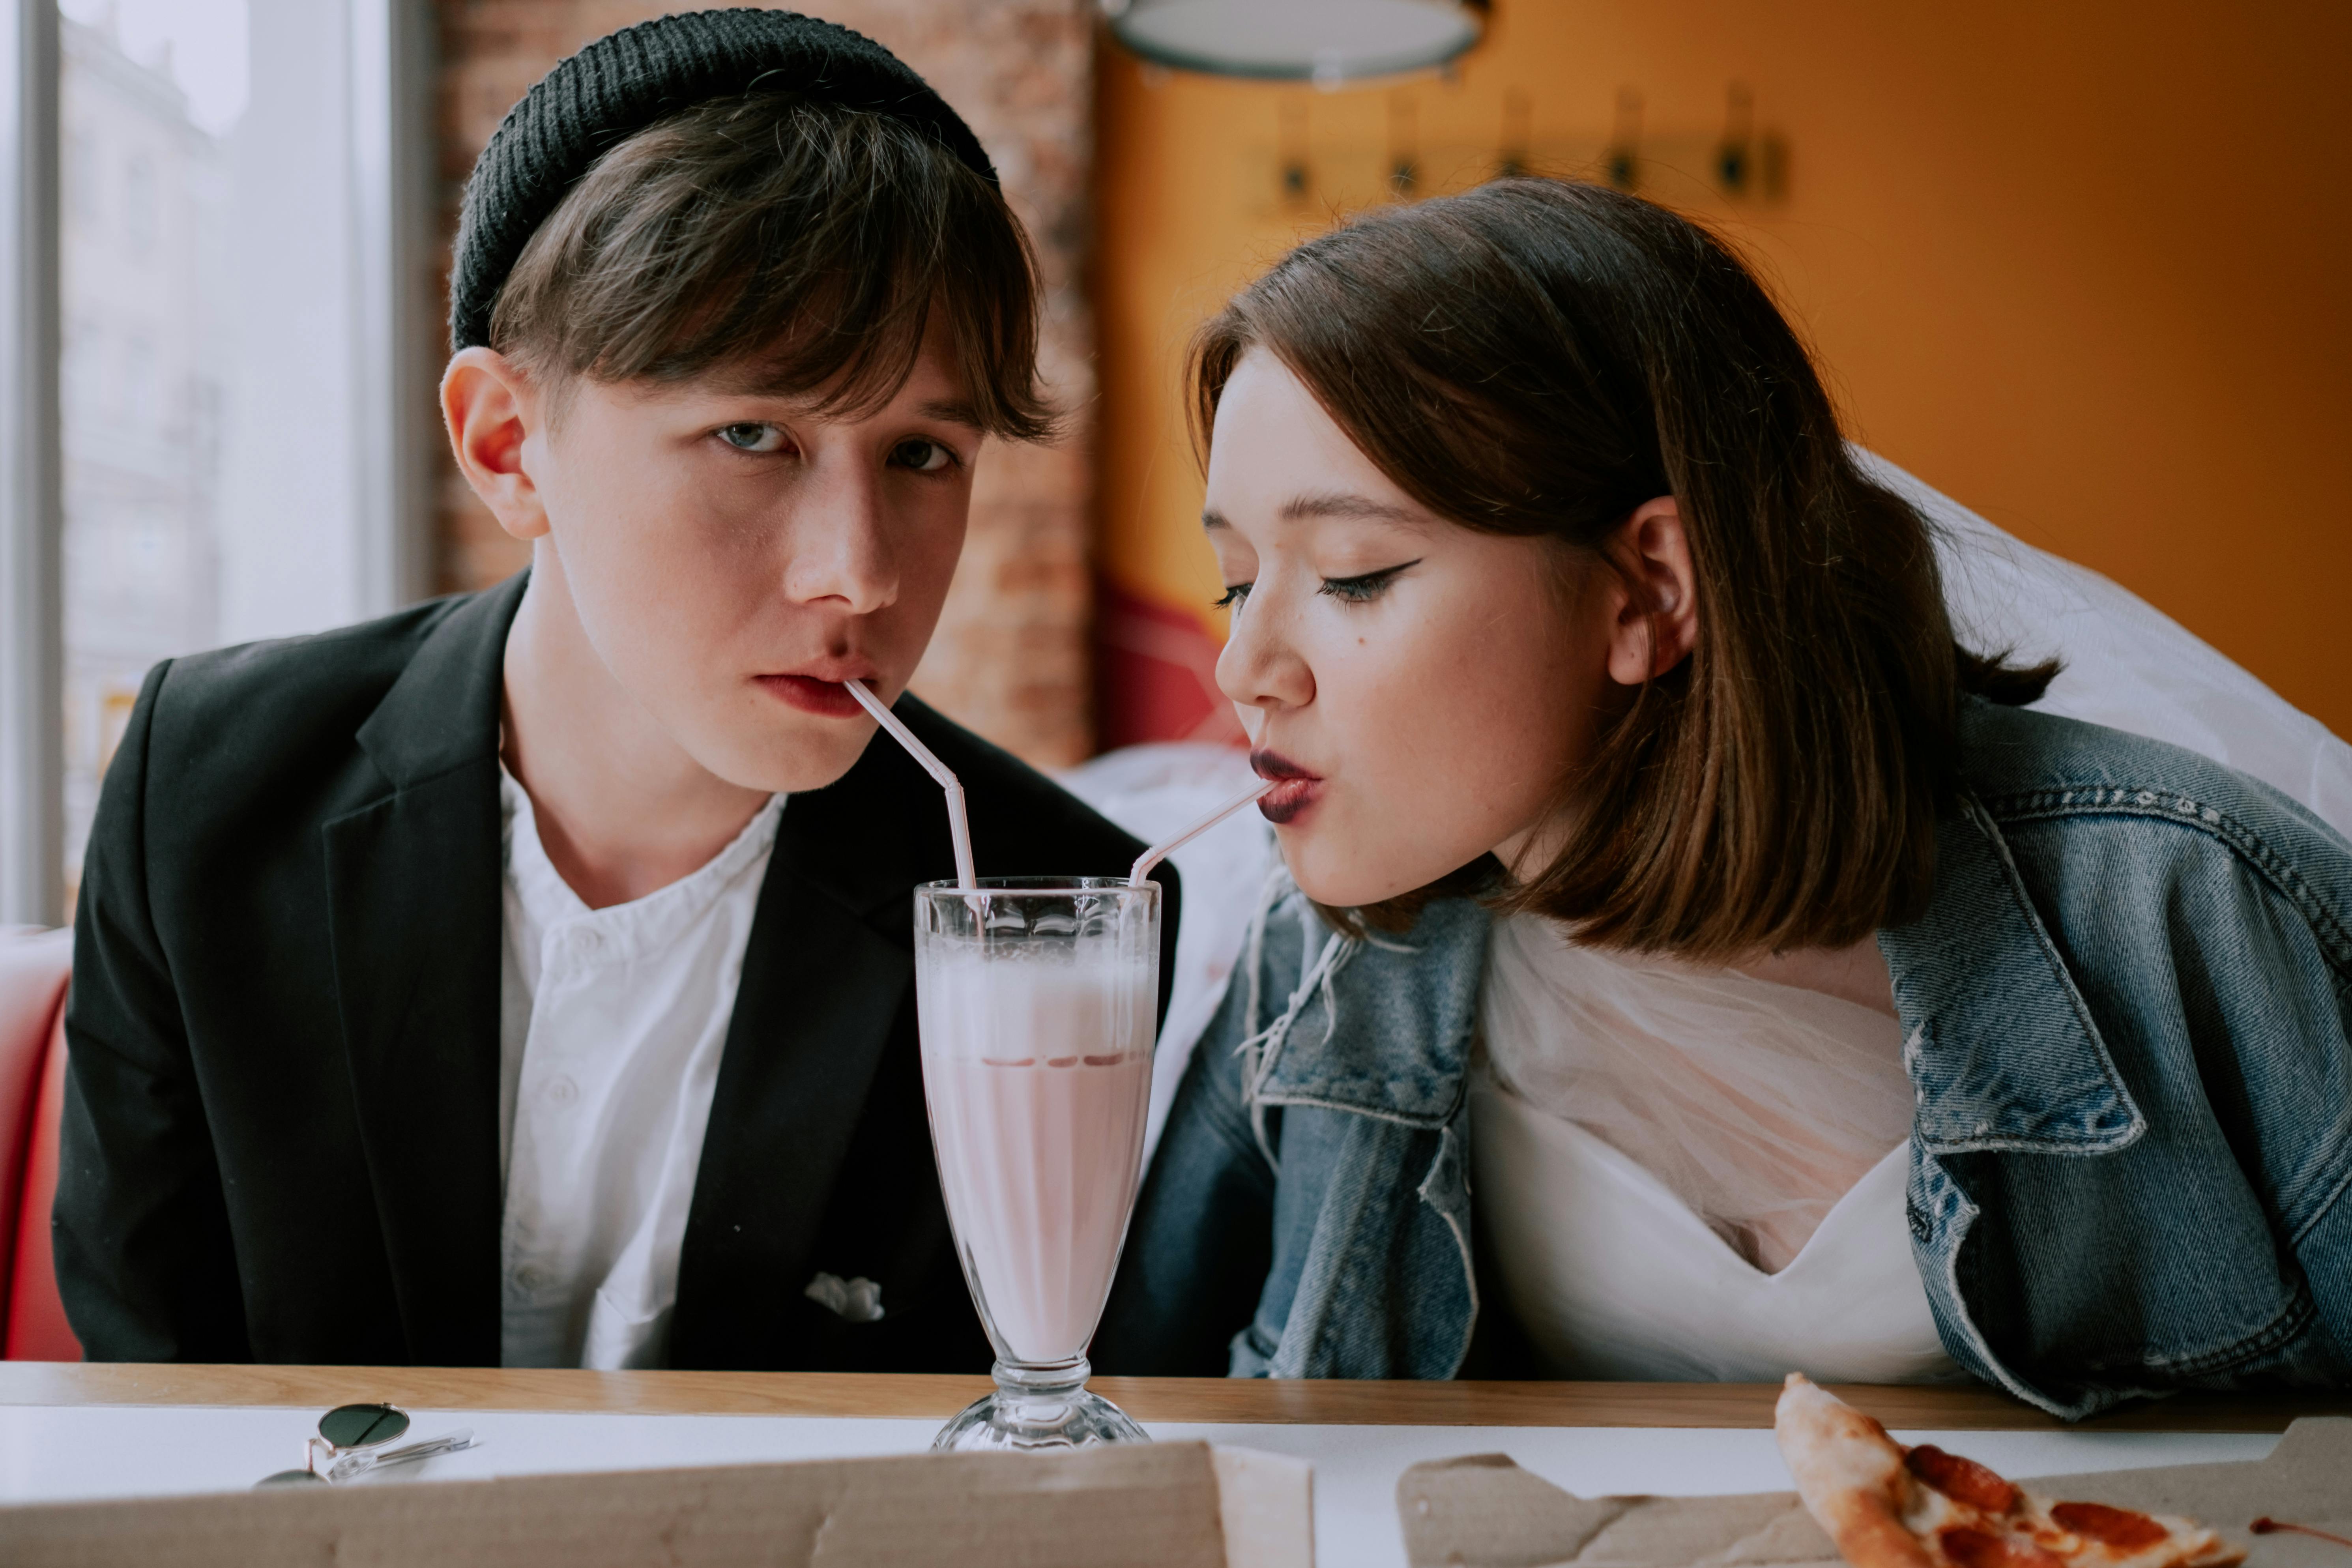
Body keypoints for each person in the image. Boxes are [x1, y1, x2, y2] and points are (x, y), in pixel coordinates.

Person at [1094, 178, 2350, 1418]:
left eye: (1355, 575)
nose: (1241, 670)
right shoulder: (1319, 965)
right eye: (1234, 584)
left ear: (1648, 587)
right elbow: (1130, 1410)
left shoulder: (2190, 914)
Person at [57, 10, 1174, 1372]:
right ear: (509, 443)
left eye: (923, 456)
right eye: (754, 434)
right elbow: (150, 1395)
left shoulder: (1056, 912)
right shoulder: (213, 791)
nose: (861, 576)